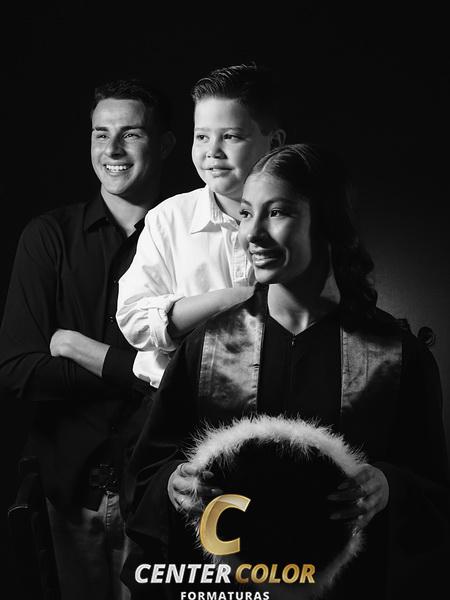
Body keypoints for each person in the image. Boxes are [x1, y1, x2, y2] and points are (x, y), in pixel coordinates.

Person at [122, 144, 450, 600]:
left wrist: (388, 487)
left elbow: (433, 487)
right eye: (245, 214)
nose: (252, 234)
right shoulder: (209, 347)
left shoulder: (394, 355)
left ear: (328, 223)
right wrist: (174, 483)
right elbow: (148, 471)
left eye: (276, 212)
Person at [0, 79, 175, 600]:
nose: (112, 150)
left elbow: (199, 378)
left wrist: (80, 349)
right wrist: (141, 371)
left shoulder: (190, 244)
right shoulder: (48, 237)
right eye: (101, 134)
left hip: (160, 497)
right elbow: (17, 369)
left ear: (165, 144)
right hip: (67, 493)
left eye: (130, 134)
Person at [116, 63, 286, 390]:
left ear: (275, 143)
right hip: (183, 402)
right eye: (202, 136)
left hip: (277, 400)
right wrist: (231, 300)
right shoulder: (169, 218)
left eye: (231, 136)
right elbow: (134, 320)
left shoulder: (300, 218)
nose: (212, 152)